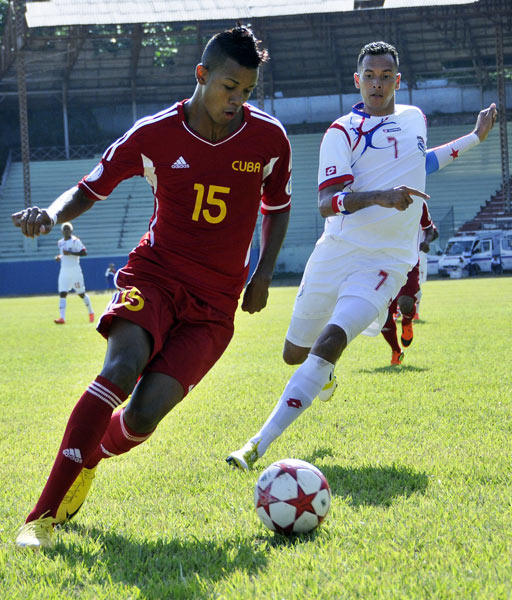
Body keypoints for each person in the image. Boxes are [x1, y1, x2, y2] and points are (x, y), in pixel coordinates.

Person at [12, 25, 291, 549]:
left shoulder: (269, 139)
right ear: (201, 74)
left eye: (248, 91)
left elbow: (276, 207)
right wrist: (49, 215)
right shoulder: (153, 134)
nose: (238, 100)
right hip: (155, 276)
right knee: (120, 368)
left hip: (215, 304)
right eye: (229, 86)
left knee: (141, 417)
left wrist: (263, 275)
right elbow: (91, 186)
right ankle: (42, 517)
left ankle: (90, 457)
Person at [227, 40, 497, 471]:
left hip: (386, 261)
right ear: (357, 80)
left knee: (332, 339)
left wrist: (475, 138)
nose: (377, 83)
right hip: (336, 251)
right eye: (369, 76)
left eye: (385, 75)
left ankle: (256, 444)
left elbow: (420, 162)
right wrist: (381, 198)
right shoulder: (341, 132)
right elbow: (327, 201)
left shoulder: (415, 118)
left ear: (397, 80)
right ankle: (324, 373)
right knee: (295, 353)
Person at [380, 202, 438, 365]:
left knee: (405, 303)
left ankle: (407, 321)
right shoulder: (380, 199)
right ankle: (396, 351)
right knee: (382, 315)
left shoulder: (418, 203)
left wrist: (426, 241)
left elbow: (430, 229)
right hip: (382, 262)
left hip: (409, 261)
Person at [54, 222, 95, 324]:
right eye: (65, 229)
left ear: (71, 230)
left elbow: (84, 252)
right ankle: (62, 318)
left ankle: (91, 312)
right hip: (64, 271)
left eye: (68, 229)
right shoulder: (60, 242)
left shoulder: (75, 241)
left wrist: (71, 253)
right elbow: (63, 253)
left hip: (75, 271)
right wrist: (60, 257)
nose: (66, 230)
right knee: (62, 293)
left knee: (81, 293)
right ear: (62, 231)